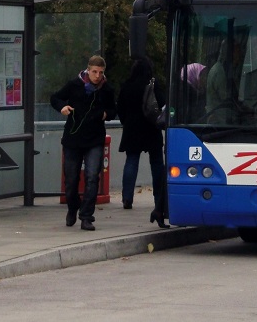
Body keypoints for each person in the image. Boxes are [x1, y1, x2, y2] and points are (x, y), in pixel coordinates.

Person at [50, 54, 116, 231]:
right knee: (71, 180)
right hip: (73, 138)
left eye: (100, 73)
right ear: (88, 70)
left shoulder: (106, 89)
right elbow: (55, 98)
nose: (97, 76)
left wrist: (105, 114)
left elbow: (113, 110)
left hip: (94, 139)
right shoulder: (75, 84)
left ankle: (86, 216)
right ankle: (73, 207)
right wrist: (62, 108)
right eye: (94, 72)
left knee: (92, 176)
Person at [118, 55, 169, 227]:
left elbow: (120, 109)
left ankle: (127, 197)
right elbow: (163, 105)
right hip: (151, 129)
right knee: (156, 163)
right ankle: (158, 198)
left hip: (132, 129)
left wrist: (127, 122)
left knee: (131, 161)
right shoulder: (153, 86)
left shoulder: (127, 86)